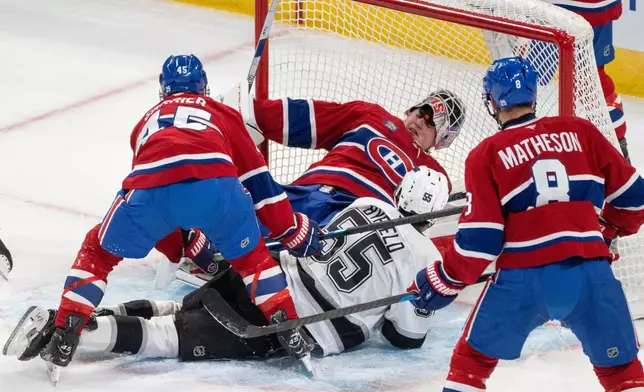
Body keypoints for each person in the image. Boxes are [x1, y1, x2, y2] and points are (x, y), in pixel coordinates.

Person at [9, 54, 323, 370]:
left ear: (163, 90)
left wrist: (181, 248)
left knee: (98, 251)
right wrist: (290, 229)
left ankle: (66, 332)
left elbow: (152, 196)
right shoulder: (222, 113)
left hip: (151, 191)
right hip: (217, 188)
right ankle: (288, 325)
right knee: (253, 260)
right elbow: (258, 181)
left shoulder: (143, 124)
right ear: (204, 87)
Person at [4, 166, 451, 366]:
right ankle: (73, 335)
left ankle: (82, 318)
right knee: (170, 338)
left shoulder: (369, 201)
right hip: (299, 324)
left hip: (267, 277)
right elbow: (403, 338)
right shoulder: (427, 255)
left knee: (175, 311)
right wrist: (426, 306)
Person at [407, 57, 644, 392]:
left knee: (471, 364)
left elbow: (480, 242)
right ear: (533, 95)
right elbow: (635, 199)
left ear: (491, 101)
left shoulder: (486, 153)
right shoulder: (581, 130)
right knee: (623, 372)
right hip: (591, 275)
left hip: (524, 278)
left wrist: (441, 280)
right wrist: (606, 231)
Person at [221, 83, 465, 229]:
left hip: (359, 217)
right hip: (309, 189)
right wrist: (250, 113)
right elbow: (311, 118)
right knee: (238, 221)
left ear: (442, 139)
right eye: (422, 112)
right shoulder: (373, 117)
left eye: (432, 123)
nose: (420, 122)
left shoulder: (435, 176)